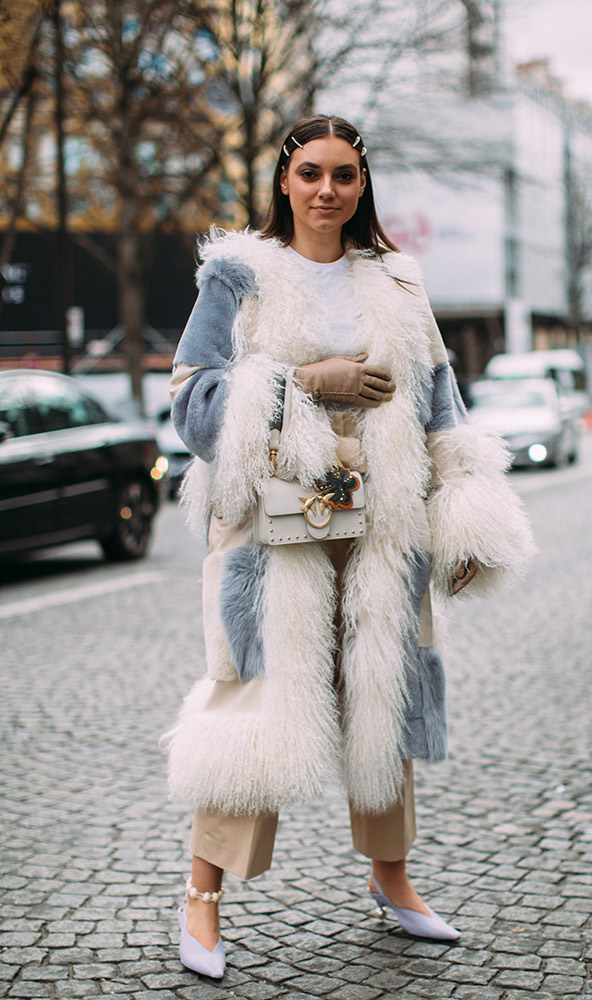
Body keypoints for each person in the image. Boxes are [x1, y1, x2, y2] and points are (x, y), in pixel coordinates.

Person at [165, 113, 535, 979]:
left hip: (385, 525)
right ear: (283, 183)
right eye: (309, 175)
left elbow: (442, 409)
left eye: (342, 174)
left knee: (382, 698)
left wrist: (466, 517)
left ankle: (392, 880)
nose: (325, 190)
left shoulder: (398, 283)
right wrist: (300, 384)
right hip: (270, 537)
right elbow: (192, 403)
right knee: (255, 707)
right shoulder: (238, 274)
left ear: (362, 183)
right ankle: (202, 899)